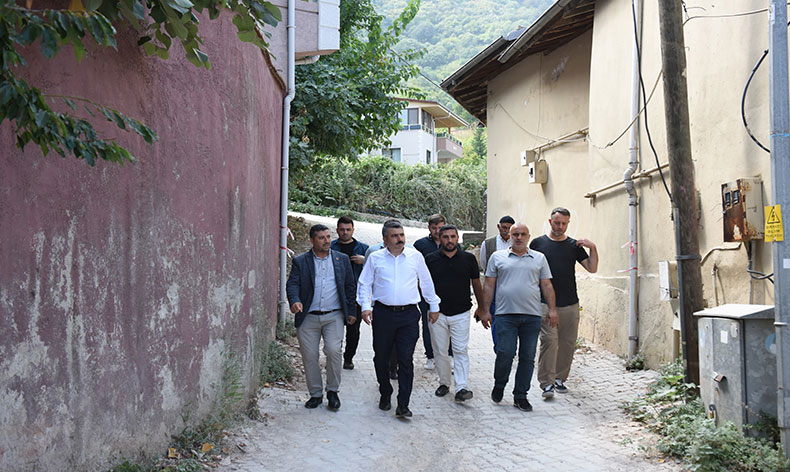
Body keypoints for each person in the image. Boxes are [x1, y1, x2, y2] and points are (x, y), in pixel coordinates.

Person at [357, 220, 441, 418]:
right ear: (385, 239)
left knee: (405, 358)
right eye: (394, 236)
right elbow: (364, 284)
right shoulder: (375, 258)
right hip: (383, 314)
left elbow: (426, 282)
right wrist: (366, 307)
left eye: (401, 235)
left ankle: (403, 403)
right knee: (381, 357)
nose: (399, 239)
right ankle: (385, 392)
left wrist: (434, 306)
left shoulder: (415, 256)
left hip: (408, 315)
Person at [479, 223, 557, 412]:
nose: (519, 237)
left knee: (527, 357)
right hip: (505, 315)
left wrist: (552, 309)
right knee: (505, 353)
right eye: (515, 234)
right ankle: (499, 384)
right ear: (510, 236)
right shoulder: (497, 257)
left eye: (522, 234)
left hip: (532, 316)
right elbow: (489, 285)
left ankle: (520, 396)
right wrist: (485, 310)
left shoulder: (539, 258)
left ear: (528, 237)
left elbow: (546, 285)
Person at [286, 224, 357, 410]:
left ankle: (333, 391)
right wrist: (295, 301)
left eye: (328, 237)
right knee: (310, 355)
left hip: (334, 315)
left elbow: (350, 286)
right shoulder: (301, 261)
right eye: (321, 238)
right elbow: (292, 284)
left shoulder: (341, 259)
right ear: (312, 240)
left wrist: (351, 312)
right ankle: (316, 394)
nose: (327, 241)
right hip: (308, 316)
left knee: (334, 351)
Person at [530, 207, 598, 398]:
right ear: (550, 222)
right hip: (544, 303)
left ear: (568, 224)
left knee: (567, 343)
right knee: (549, 342)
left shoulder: (573, 246)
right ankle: (546, 383)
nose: (560, 226)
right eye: (557, 222)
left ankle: (560, 378)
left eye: (564, 223)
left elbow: (592, 268)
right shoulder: (537, 243)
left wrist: (593, 248)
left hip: (570, 303)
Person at [425, 224, 485, 402]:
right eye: (445, 237)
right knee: (440, 351)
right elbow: (424, 285)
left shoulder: (468, 259)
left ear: (457, 238)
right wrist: (430, 307)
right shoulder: (430, 259)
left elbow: (476, 283)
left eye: (453, 237)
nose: (449, 240)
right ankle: (444, 383)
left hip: (461, 312)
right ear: (439, 238)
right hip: (437, 313)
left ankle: (461, 387)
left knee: (460, 350)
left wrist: (482, 307)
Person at [330, 216, 369, 370]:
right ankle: (335, 357)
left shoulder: (363, 248)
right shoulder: (331, 247)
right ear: (337, 230)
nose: (345, 232)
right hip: (336, 293)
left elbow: (376, 267)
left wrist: (364, 260)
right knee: (334, 329)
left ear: (353, 230)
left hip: (356, 295)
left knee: (353, 330)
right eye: (342, 230)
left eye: (348, 229)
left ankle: (348, 358)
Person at [413, 214, 446, 369]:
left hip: (446, 291)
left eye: (440, 227)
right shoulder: (420, 245)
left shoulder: (451, 243)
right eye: (434, 228)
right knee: (428, 324)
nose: (437, 231)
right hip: (425, 291)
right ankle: (430, 356)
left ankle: (448, 355)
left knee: (448, 322)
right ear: (429, 228)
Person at [478, 215, 515, 350]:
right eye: (504, 227)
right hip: (494, 288)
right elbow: (484, 263)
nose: (506, 231)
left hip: (512, 289)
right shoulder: (488, 244)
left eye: (509, 228)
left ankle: (510, 346)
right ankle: (499, 347)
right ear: (498, 227)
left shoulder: (517, 242)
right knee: (495, 318)